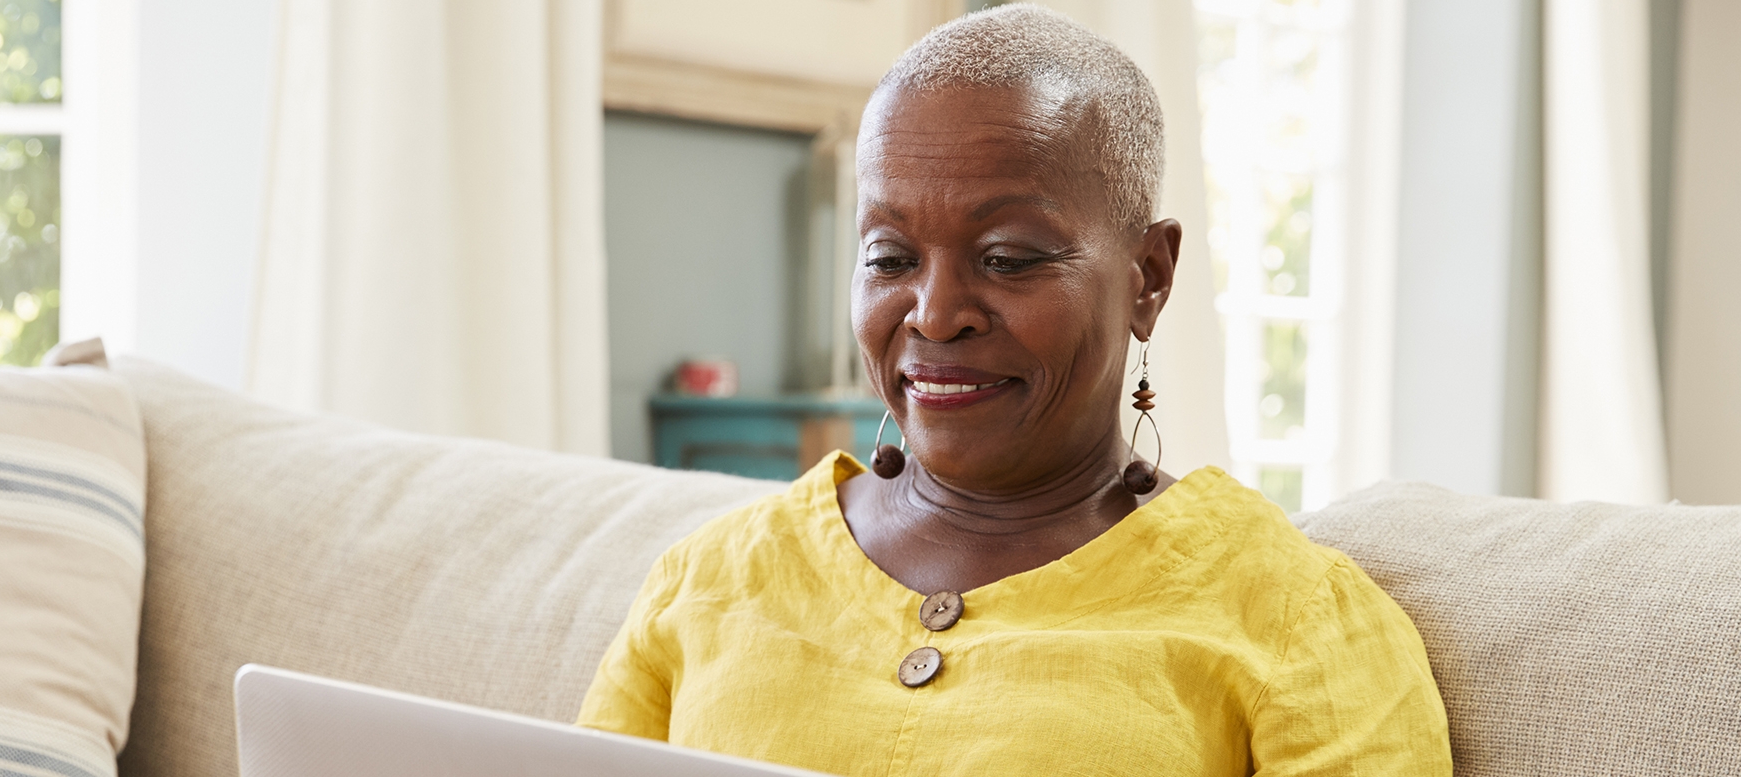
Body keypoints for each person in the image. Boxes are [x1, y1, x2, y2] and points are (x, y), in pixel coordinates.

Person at [578, 5, 1451, 775]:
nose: (935, 312)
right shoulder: (709, 578)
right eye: (890, 257)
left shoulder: (1292, 619)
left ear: (1149, 277)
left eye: (1008, 259)